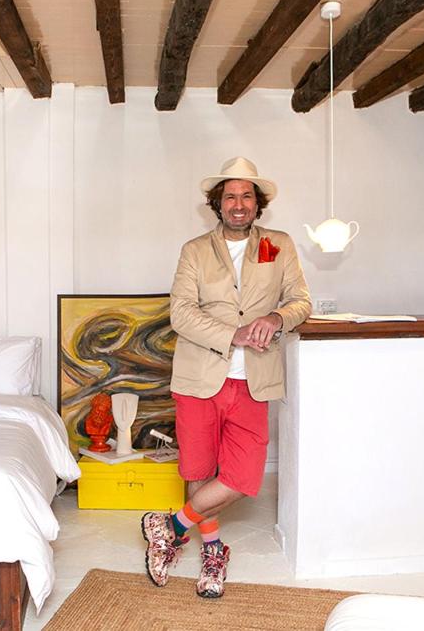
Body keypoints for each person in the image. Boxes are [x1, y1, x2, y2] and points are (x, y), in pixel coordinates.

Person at [142, 156, 311, 598]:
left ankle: (169, 527)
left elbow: (301, 301)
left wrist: (276, 317)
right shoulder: (194, 250)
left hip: (254, 379)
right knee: (199, 470)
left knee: (242, 476)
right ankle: (212, 553)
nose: (239, 204)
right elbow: (181, 313)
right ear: (218, 203)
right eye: (231, 196)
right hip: (199, 376)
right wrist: (232, 334)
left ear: (258, 203)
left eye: (247, 196)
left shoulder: (279, 244)